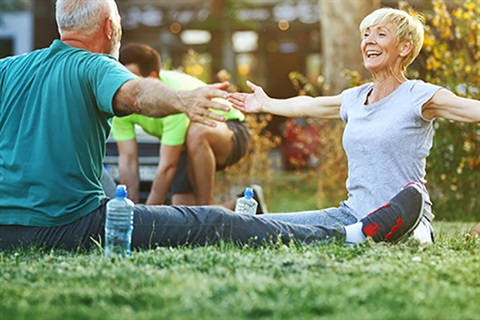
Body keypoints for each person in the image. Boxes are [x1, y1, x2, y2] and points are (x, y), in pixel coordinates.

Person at [0, 0, 425, 251]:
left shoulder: (9, 69)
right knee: (208, 221)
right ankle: (353, 236)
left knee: (111, 183)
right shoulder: (93, 65)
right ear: (111, 28)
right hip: (69, 226)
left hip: (7, 231)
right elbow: (136, 94)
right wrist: (184, 100)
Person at [228, 7, 480, 244]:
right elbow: (309, 105)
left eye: (381, 34)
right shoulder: (355, 98)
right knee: (263, 226)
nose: (369, 41)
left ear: (404, 47)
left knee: (402, 239)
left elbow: (470, 110)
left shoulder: (419, 95)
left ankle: (363, 235)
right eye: (366, 35)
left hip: (406, 221)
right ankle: (354, 234)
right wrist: (267, 103)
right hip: (352, 214)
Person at [112, 43, 250, 206]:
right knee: (184, 212)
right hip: (186, 146)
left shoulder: (173, 98)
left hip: (229, 129)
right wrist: (129, 208)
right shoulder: (122, 98)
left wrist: (147, 217)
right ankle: (245, 204)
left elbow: (168, 166)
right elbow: (127, 160)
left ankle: (207, 209)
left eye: (133, 77)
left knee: (196, 131)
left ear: (152, 77)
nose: (127, 84)